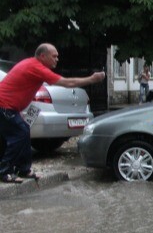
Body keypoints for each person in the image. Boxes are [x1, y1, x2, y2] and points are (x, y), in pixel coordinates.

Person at [0, 43, 105, 183]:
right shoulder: (36, 67)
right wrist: (92, 79)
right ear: (42, 56)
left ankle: (23, 169)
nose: (57, 59)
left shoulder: (33, 65)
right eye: (54, 56)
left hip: (9, 106)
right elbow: (67, 83)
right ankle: (5, 171)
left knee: (22, 132)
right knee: (20, 133)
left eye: (57, 56)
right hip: (4, 106)